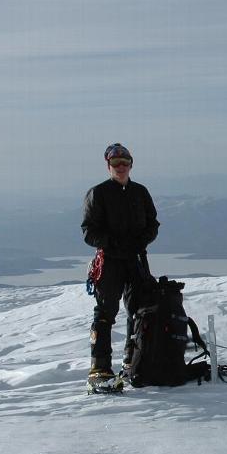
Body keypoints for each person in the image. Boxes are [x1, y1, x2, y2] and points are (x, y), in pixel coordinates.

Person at [81, 143, 160, 386]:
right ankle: (100, 367)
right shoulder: (99, 193)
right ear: (108, 165)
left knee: (139, 310)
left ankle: (132, 359)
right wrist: (112, 243)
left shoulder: (140, 192)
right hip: (110, 261)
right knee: (106, 312)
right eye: (116, 163)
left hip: (136, 258)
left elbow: (153, 224)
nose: (121, 167)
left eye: (125, 162)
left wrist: (140, 242)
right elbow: (88, 231)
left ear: (131, 164)